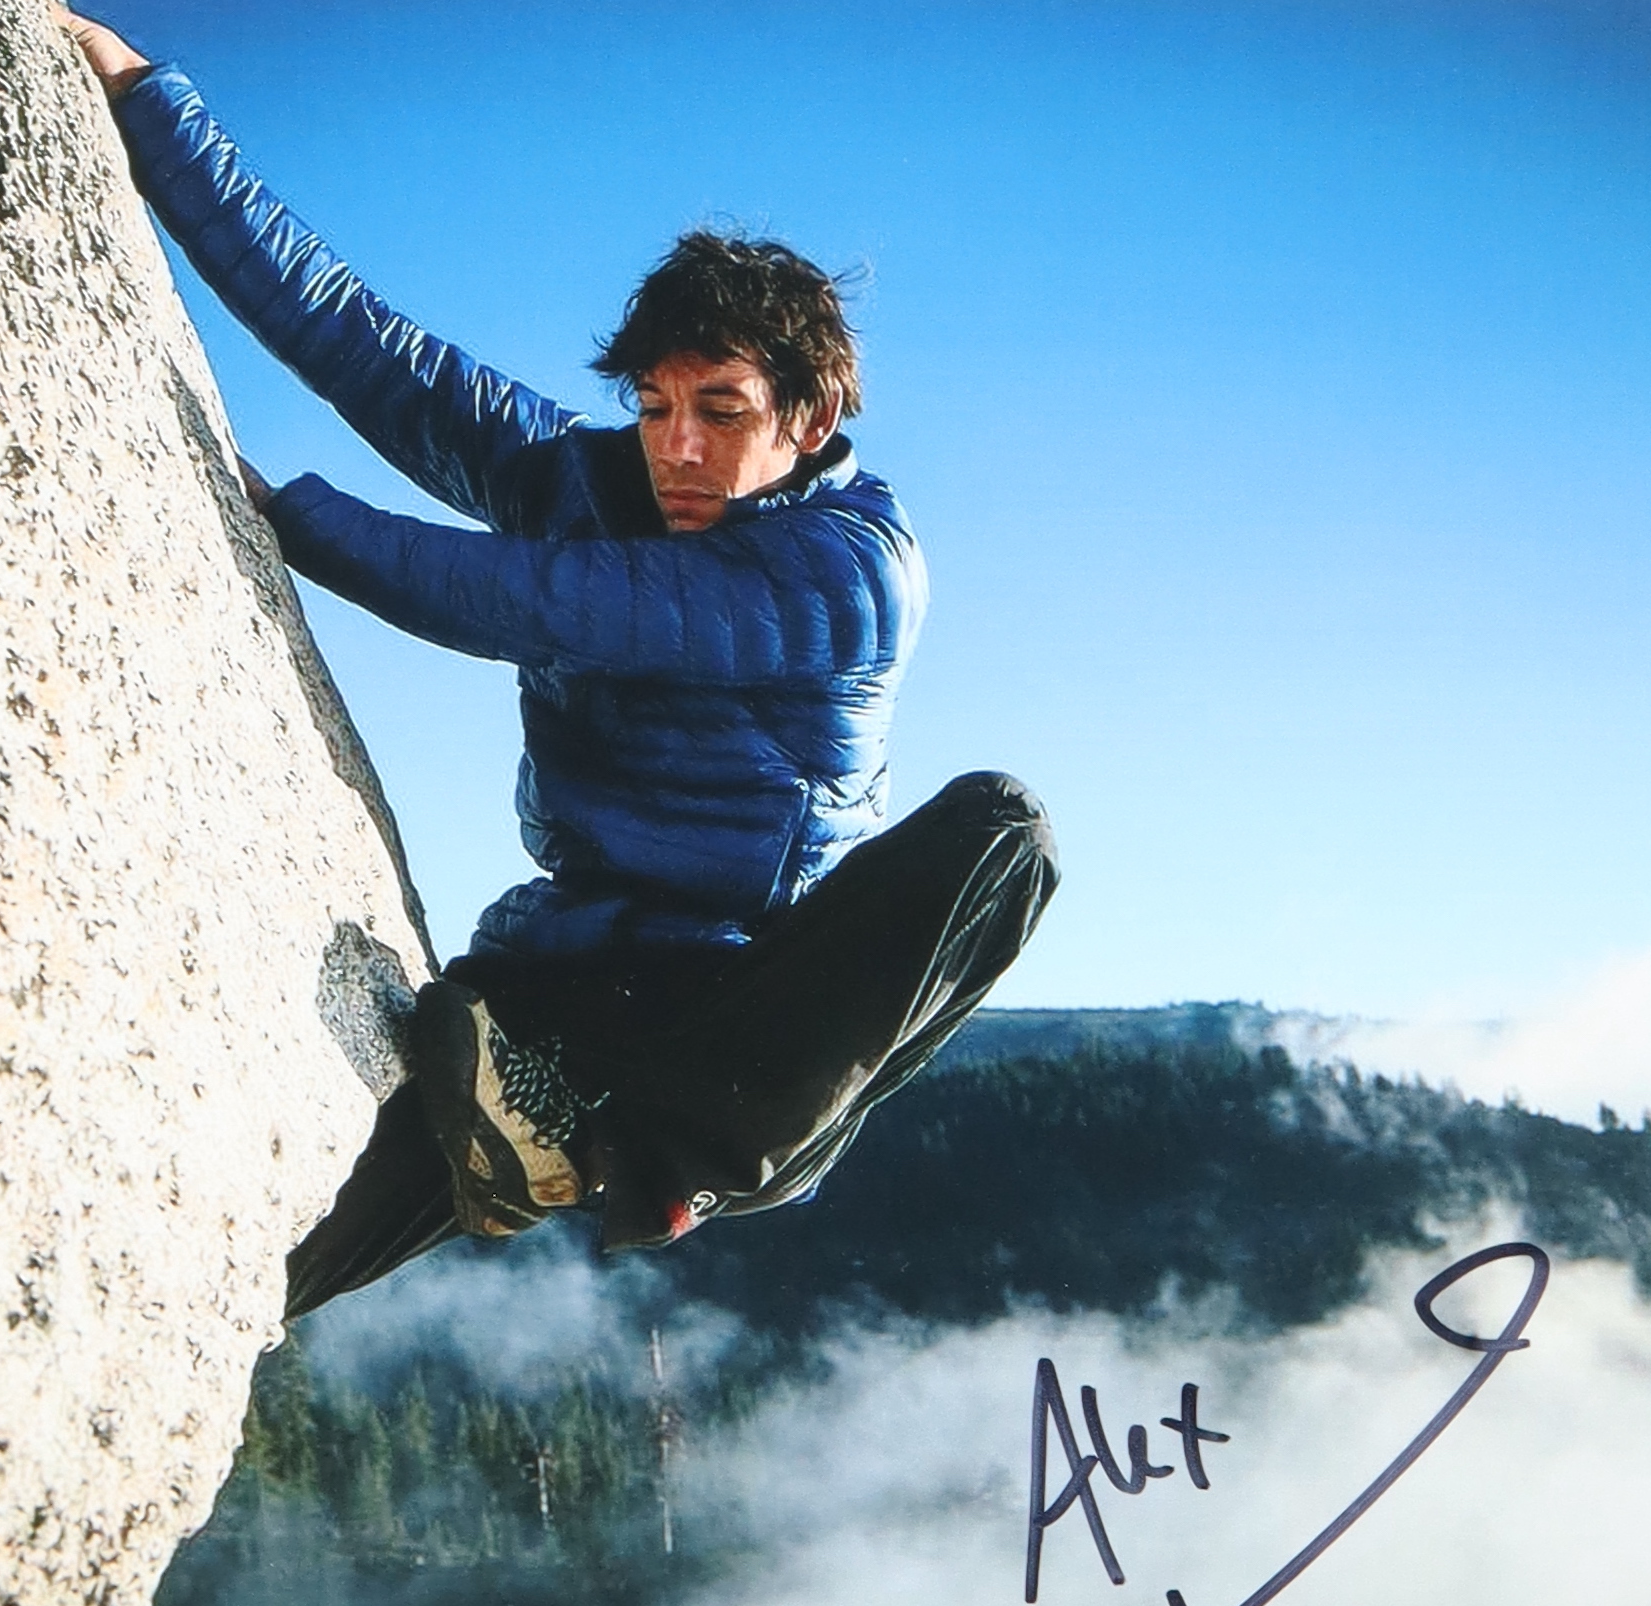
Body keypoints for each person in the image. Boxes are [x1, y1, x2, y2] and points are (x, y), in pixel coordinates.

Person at [58, 13, 1060, 1318]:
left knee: (1005, 832)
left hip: (721, 1028)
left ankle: (656, 1162)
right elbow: (369, 349)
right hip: (546, 1003)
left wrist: (283, 513)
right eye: (654, 408)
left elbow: (548, 603)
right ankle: (537, 1141)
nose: (676, 448)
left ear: (810, 420)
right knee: (218, 1294)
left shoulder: (847, 571)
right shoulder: (594, 481)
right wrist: (147, 102)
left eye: (721, 413)